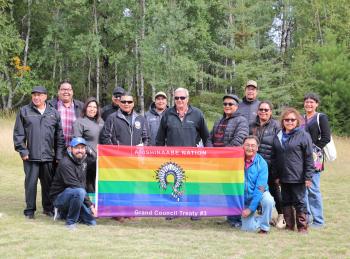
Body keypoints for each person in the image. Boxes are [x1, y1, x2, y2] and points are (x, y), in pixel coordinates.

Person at [156, 87, 209, 221]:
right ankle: (173, 210)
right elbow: (160, 138)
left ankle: (194, 210)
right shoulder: (167, 114)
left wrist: (209, 155)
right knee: (174, 183)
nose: (179, 100)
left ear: (187, 99)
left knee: (193, 184)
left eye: (182, 98)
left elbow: (206, 137)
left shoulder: (197, 114)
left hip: (193, 158)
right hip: (172, 158)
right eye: (176, 98)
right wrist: (157, 155)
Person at [13, 86, 65, 219]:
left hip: (48, 157)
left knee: (48, 184)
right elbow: (18, 134)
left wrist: (58, 155)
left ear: (46, 96)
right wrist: (23, 151)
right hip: (30, 157)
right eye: (34, 95)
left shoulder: (53, 113)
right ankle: (29, 211)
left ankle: (48, 208)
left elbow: (59, 137)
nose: (36, 97)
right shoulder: (24, 111)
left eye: (39, 95)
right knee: (30, 185)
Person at [206, 94, 248, 227]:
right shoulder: (219, 120)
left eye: (230, 104)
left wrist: (222, 154)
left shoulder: (241, 120)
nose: (227, 106)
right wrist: (212, 151)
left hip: (232, 163)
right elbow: (209, 137)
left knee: (234, 190)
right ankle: (230, 217)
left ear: (237, 106)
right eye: (225, 104)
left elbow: (239, 139)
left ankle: (237, 219)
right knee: (226, 190)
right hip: (219, 162)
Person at [272, 107, 314, 233]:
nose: (289, 122)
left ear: (297, 121)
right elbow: (275, 157)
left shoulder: (303, 135)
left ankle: (302, 227)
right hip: (283, 176)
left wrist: (308, 177)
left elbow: (308, 157)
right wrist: (276, 175)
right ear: (282, 121)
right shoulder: (278, 136)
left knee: (300, 202)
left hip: (298, 176)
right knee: (286, 201)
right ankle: (289, 226)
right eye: (287, 119)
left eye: (292, 119)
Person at [251, 101, 285, 229]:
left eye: (266, 110)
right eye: (261, 109)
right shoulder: (252, 126)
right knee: (257, 190)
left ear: (271, 111)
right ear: (257, 111)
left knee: (274, 191)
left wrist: (277, 170)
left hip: (271, 165)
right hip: (256, 166)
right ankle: (263, 215)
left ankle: (281, 215)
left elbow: (280, 149)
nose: (263, 112)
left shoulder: (276, 126)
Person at [50, 137, 97, 229]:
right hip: (59, 197)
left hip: (77, 194)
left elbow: (95, 159)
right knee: (79, 191)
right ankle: (70, 222)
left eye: (82, 148)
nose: (80, 150)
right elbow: (77, 186)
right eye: (77, 148)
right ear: (70, 149)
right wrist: (90, 206)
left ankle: (65, 214)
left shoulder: (84, 161)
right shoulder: (65, 163)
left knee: (92, 222)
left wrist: (92, 151)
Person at [303, 93, 331, 228]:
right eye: (307, 102)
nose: (309, 104)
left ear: (317, 104)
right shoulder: (301, 118)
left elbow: (326, 137)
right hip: (301, 157)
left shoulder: (321, 117)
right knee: (303, 189)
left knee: (313, 189)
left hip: (316, 157)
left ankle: (318, 221)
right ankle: (306, 218)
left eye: (311, 102)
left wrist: (312, 150)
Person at [240, 135, 275, 234]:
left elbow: (260, 188)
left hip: (259, 193)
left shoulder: (262, 163)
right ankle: (259, 219)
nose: (250, 148)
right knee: (247, 229)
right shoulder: (237, 160)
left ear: (257, 148)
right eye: (247, 145)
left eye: (253, 146)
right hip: (243, 196)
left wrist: (250, 209)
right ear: (243, 146)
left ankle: (264, 226)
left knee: (269, 200)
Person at [73, 97, 104, 193]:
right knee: (87, 185)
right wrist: (90, 151)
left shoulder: (101, 122)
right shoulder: (79, 122)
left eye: (94, 107)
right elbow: (77, 141)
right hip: (86, 160)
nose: (92, 109)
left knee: (98, 186)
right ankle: (87, 206)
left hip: (100, 160)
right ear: (85, 108)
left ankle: (96, 206)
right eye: (89, 106)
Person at [49, 79, 84, 146]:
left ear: (72, 92)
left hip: (75, 148)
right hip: (54, 148)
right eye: (63, 89)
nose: (66, 92)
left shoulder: (81, 107)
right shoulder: (49, 106)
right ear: (58, 91)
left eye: (69, 89)